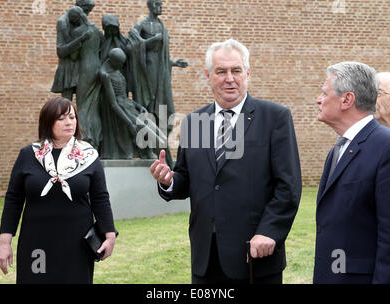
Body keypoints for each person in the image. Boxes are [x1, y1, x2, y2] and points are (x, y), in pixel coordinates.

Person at [150, 39, 302, 284]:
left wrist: (269, 232)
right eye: (221, 71)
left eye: (236, 70)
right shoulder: (194, 122)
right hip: (206, 258)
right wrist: (168, 181)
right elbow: (186, 180)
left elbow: (289, 186)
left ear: (248, 73)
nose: (229, 78)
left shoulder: (275, 118)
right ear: (209, 76)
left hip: (254, 255)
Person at [0, 97, 116, 284]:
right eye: (61, 118)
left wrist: (109, 235)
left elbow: (100, 198)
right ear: (47, 122)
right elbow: (14, 199)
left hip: (76, 242)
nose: (69, 122)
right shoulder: (28, 155)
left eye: (72, 117)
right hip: (36, 242)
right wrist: (5, 243)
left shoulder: (89, 156)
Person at [314, 62, 390, 284]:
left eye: (324, 93)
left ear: (346, 100)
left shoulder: (384, 147)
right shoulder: (339, 148)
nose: (318, 99)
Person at [131, 0, 188, 167]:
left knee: (168, 112)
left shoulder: (162, 25)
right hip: (148, 72)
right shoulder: (142, 24)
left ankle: (158, 146)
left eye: (161, 4)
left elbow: (163, 56)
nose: (160, 7)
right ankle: (148, 148)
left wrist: (174, 62)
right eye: (157, 4)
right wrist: (149, 42)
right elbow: (133, 42)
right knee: (150, 112)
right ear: (150, 7)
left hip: (161, 73)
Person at [99, 48, 165, 159]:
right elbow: (113, 103)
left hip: (129, 105)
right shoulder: (105, 75)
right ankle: (149, 153)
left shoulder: (117, 70)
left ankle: (153, 154)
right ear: (113, 61)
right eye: (119, 63)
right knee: (152, 134)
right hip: (122, 109)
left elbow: (124, 96)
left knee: (156, 130)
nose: (121, 66)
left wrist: (138, 106)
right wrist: (129, 123)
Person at [51, 0, 96, 101]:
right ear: (77, 7)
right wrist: (80, 39)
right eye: (86, 10)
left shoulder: (81, 22)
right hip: (68, 67)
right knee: (66, 101)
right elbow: (61, 52)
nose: (86, 15)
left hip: (81, 66)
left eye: (89, 12)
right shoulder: (63, 22)